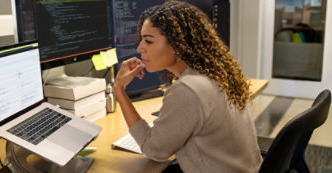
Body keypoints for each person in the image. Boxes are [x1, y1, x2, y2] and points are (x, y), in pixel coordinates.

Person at [113, 0, 263, 172]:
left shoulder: (187, 89)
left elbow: (154, 151)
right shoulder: (215, 73)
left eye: (148, 41)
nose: (140, 48)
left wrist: (119, 90)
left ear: (177, 44)